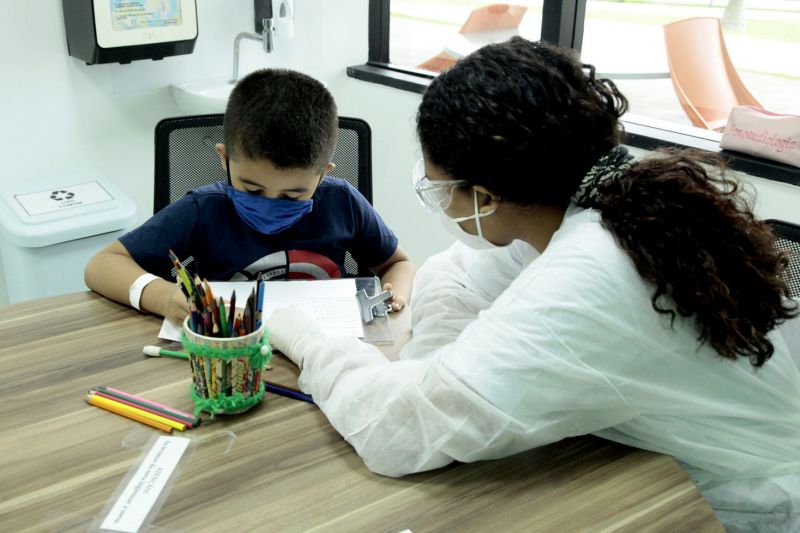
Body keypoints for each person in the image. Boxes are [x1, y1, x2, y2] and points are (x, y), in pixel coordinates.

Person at [265, 39, 800, 532]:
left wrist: (307, 339)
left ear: (485, 196)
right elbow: (448, 274)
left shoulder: (590, 274)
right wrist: (434, 370)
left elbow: (394, 432)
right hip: (671, 465)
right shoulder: (605, 203)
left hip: (722, 510)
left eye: (441, 188)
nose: (443, 204)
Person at [85, 69, 414, 325]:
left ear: (323, 173)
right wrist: (160, 296)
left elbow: (397, 263)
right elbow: (102, 265)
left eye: (293, 194)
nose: (270, 203)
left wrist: (394, 294)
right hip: (229, 355)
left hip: (327, 350)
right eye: (253, 190)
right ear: (224, 158)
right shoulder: (204, 210)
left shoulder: (342, 202)